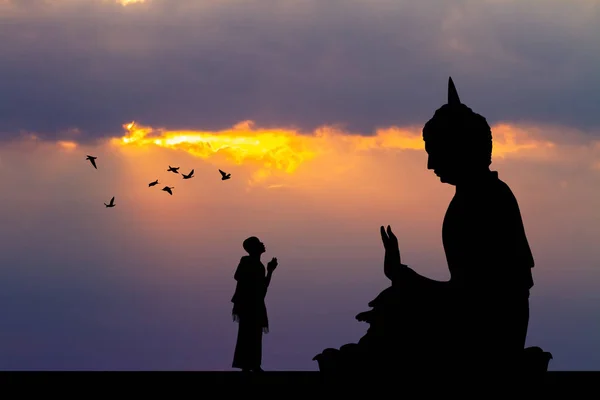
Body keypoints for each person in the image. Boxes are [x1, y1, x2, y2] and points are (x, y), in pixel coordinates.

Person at [315, 77, 536, 376]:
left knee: (394, 308)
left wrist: (404, 280)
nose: (430, 165)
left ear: (460, 148)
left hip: (488, 335)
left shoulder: (485, 201)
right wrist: (403, 279)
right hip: (482, 322)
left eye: (435, 151)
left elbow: (474, 300)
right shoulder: (478, 197)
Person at [231, 236, 278, 372]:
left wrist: (270, 271)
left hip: (256, 303)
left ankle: (254, 364)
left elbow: (263, 288)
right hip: (248, 304)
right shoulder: (246, 261)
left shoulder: (260, 266)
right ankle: (248, 366)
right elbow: (238, 276)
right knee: (247, 334)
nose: (262, 244)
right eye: (258, 243)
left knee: (255, 335)